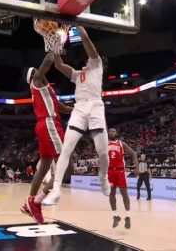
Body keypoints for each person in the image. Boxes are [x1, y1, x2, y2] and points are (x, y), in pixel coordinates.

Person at [44, 26, 110, 205]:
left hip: (95, 106)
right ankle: (56, 189)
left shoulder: (97, 65)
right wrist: (55, 47)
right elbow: (58, 65)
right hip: (79, 108)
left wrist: (79, 27)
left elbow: (88, 45)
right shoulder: (78, 74)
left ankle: (103, 176)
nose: (87, 58)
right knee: (66, 149)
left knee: (103, 153)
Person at [21, 52, 72, 223]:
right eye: (37, 70)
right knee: (68, 166)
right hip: (50, 124)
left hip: (45, 125)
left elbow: (63, 108)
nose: (40, 70)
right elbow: (49, 60)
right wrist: (55, 44)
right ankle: (37, 201)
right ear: (34, 76)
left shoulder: (46, 89)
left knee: (44, 165)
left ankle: (30, 201)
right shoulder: (36, 83)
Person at [107, 128, 138, 229]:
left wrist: (137, 167)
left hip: (120, 171)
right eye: (110, 131)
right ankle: (115, 216)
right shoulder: (104, 144)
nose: (111, 132)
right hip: (110, 171)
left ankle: (128, 216)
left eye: (113, 131)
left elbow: (133, 153)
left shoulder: (121, 144)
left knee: (124, 193)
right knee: (111, 193)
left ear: (117, 133)